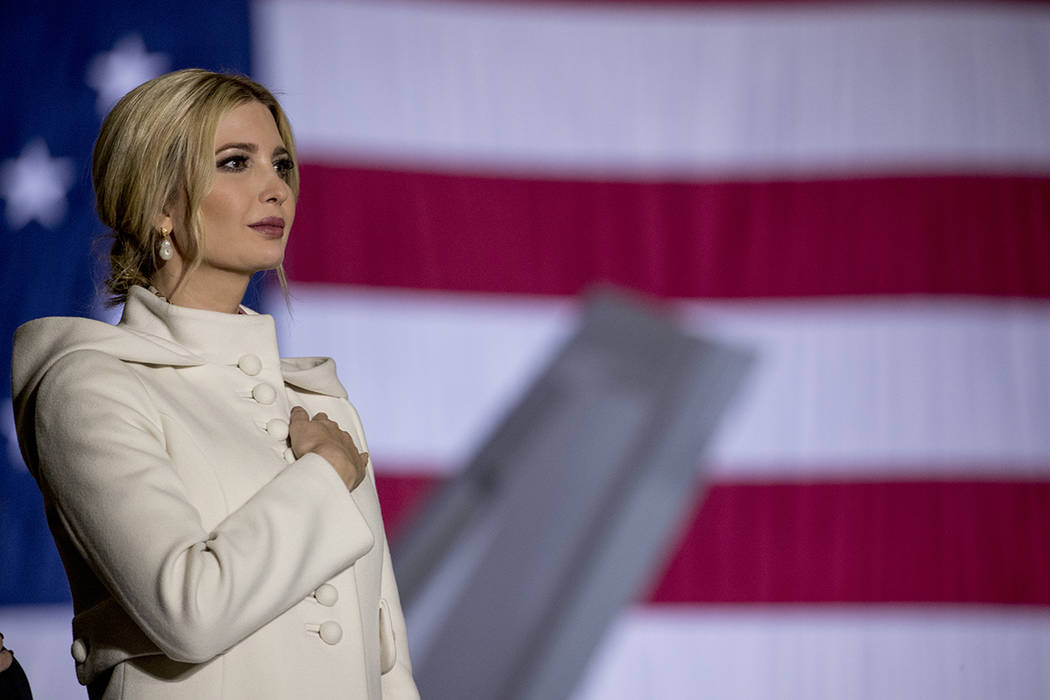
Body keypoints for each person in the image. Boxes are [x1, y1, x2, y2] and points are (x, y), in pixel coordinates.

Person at [10, 69, 419, 699]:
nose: (275, 188)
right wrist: (324, 475)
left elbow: (387, 662)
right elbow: (188, 611)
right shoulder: (90, 386)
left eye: (280, 164)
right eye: (235, 162)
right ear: (160, 206)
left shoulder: (319, 404)